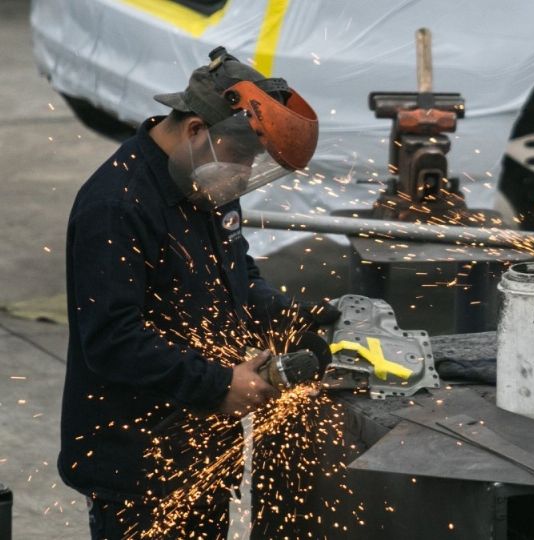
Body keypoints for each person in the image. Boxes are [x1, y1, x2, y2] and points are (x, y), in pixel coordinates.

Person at [59, 47, 338, 539]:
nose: (243, 177)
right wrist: (218, 385)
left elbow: (235, 280)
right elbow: (112, 339)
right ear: (194, 130)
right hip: (138, 469)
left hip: (200, 452)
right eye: (240, 159)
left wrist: (291, 316)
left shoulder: (204, 183)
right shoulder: (116, 205)